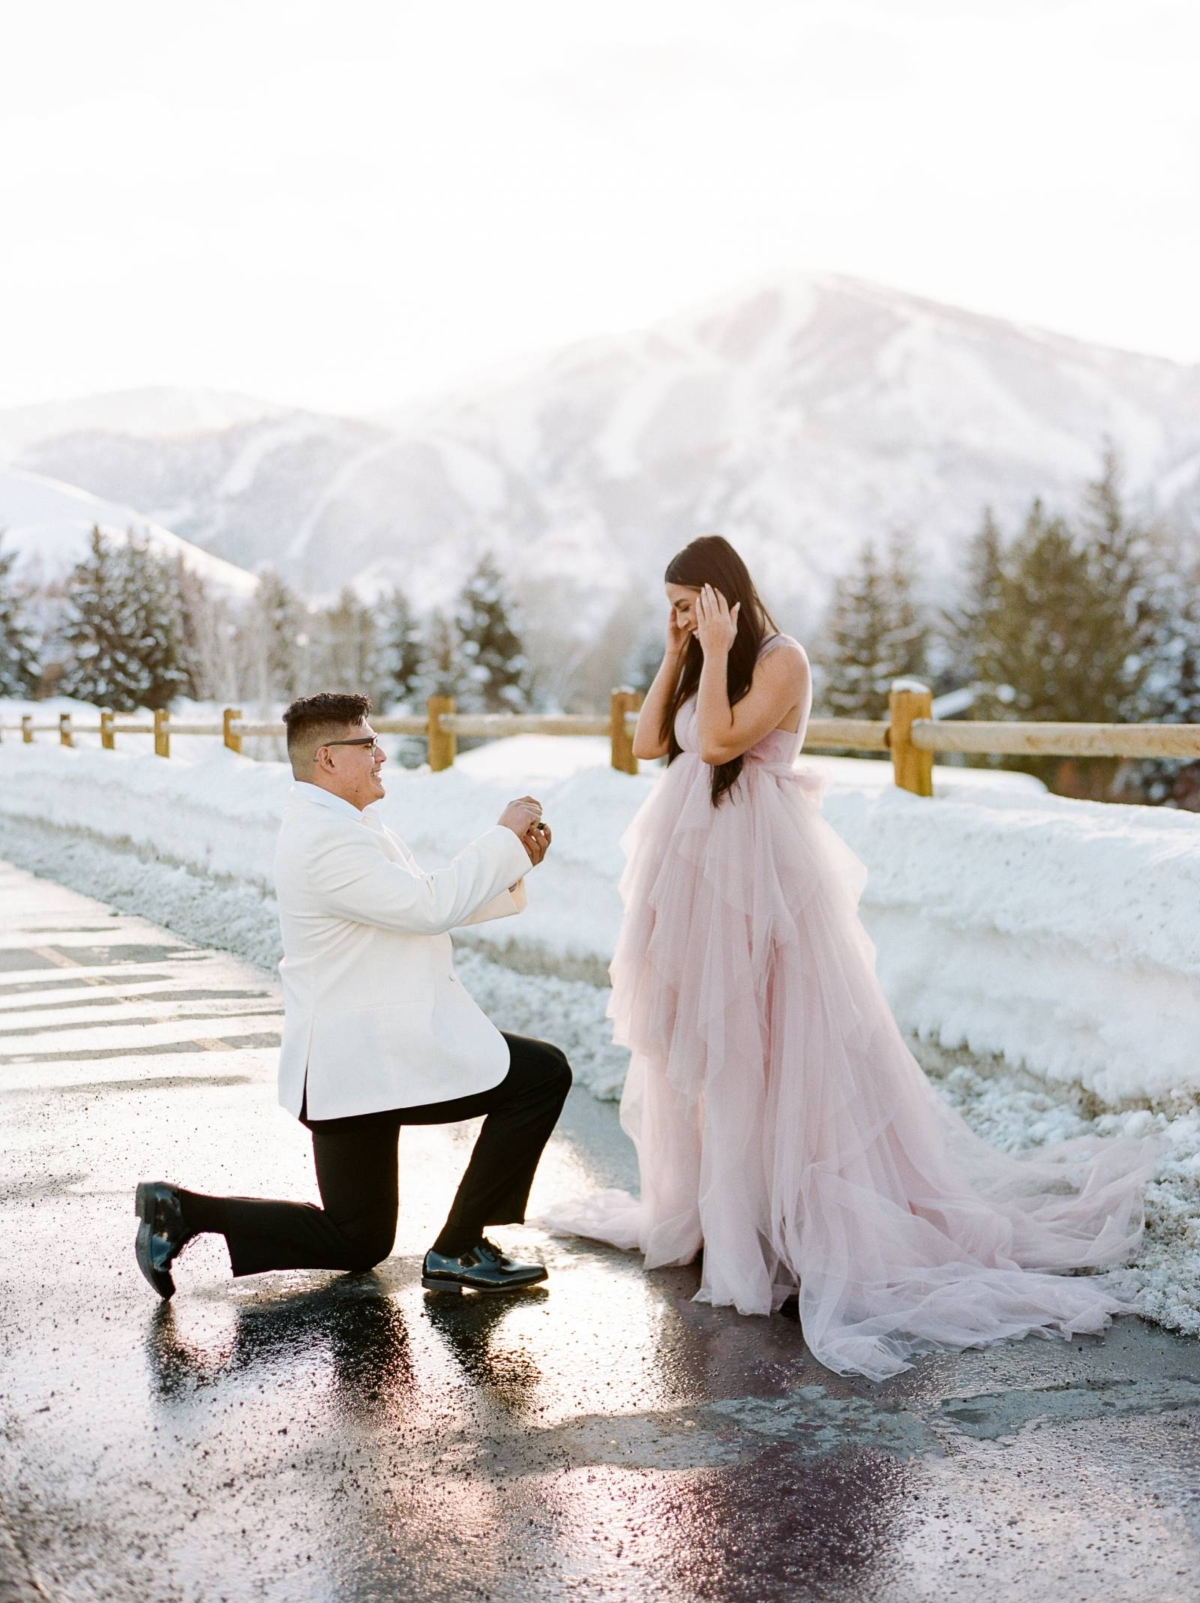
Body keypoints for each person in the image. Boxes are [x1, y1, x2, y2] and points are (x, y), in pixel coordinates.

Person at [547, 535, 1157, 1380]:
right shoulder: (699, 656)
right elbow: (656, 739)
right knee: (710, 1050)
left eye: (688, 602)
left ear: (725, 596)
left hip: (762, 873)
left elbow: (721, 745)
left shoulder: (778, 659)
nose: (679, 616)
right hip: (697, 878)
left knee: (771, 1039)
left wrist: (719, 650)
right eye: (672, 606)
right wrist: (678, 649)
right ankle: (730, 1216)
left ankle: (792, 1224)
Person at [135, 692, 571, 1300]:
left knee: (357, 1240)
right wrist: (500, 838)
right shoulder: (326, 839)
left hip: (362, 1065)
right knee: (541, 1074)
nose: (380, 755)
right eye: (367, 744)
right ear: (327, 759)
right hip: (364, 1060)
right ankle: (459, 1247)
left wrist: (512, 862)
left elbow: (415, 904)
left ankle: (182, 1212)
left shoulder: (343, 826)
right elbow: (426, 907)